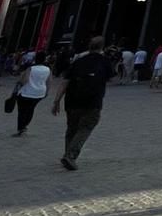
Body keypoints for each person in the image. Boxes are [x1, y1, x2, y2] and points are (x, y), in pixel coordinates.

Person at [50, 36, 114, 171]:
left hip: (72, 101)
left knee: (72, 128)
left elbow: (65, 82)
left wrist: (57, 101)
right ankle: (70, 155)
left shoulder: (78, 61)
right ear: (102, 47)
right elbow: (110, 78)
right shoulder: (104, 61)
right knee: (85, 127)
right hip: (92, 102)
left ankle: (68, 153)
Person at [12, 52, 51, 136]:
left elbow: (25, 80)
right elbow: (48, 81)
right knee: (30, 109)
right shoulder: (48, 69)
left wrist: (19, 82)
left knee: (22, 111)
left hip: (27, 92)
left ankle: (21, 128)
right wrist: (47, 92)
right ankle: (25, 126)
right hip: (39, 93)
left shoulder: (31, 68)